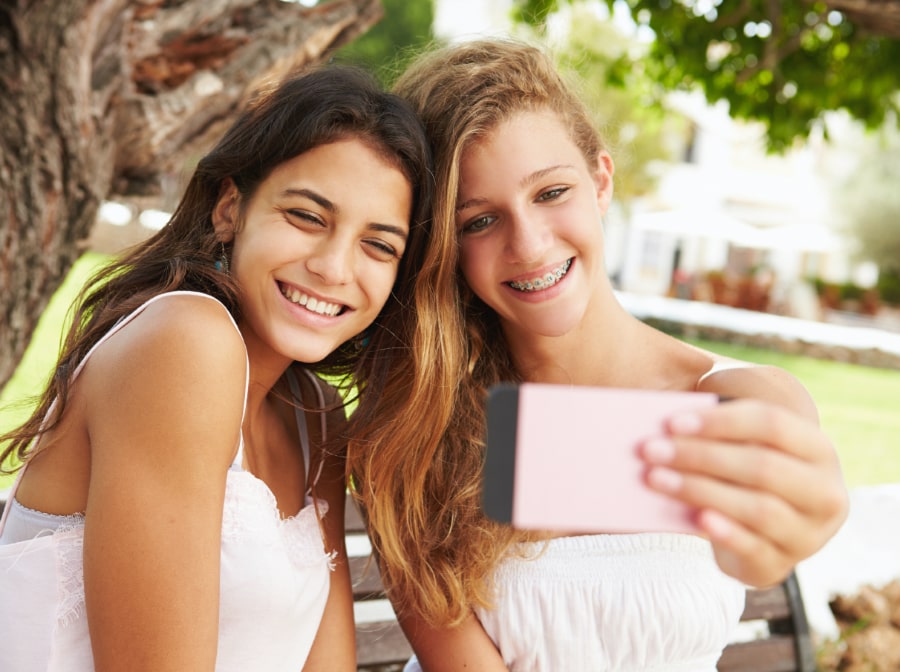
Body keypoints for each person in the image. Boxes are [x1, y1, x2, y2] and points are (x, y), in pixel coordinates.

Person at [345, 38, 849, 671]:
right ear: (445, 245)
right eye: (478, 221)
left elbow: (757, 558)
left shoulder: (734, 399)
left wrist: (794, 517)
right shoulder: (418, 427)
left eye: (551, 193)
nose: (528, 245)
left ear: (601, 181)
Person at [0, 64, 433, 672]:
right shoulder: (183, 342)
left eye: (378, 245)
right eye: (308, 216)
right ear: (230, 208)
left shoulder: (317, 417)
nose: (335, 268)